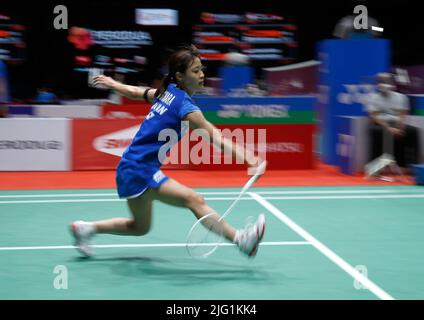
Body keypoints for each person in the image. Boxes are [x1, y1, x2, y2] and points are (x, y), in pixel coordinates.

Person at [70, 45, 266, 258]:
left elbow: (137, 92)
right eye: (195, 71)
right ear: (180, 76)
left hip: (130, 167)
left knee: (140, 228)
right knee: (194, 200)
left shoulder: (168, 93)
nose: (201, 75)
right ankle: (241, 240)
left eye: (202, 69)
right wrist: (249, 158)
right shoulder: (184, 106)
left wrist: (113, 83)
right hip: (139, 168)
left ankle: (86, 228)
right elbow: (215, 137)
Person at [365, 72, 419, 170]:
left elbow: (402, 114)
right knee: (376, 131)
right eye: (381, 81)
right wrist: (388, 128)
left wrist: (399, 128)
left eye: (386, 81)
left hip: (396, 124)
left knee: (413, 131)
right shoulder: (372, 97)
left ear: (392, 83)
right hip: (380, 124)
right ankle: (375, 166)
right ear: (377, 84)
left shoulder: (401, 97)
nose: (384, 84)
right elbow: (374, 116)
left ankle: (411, 166)